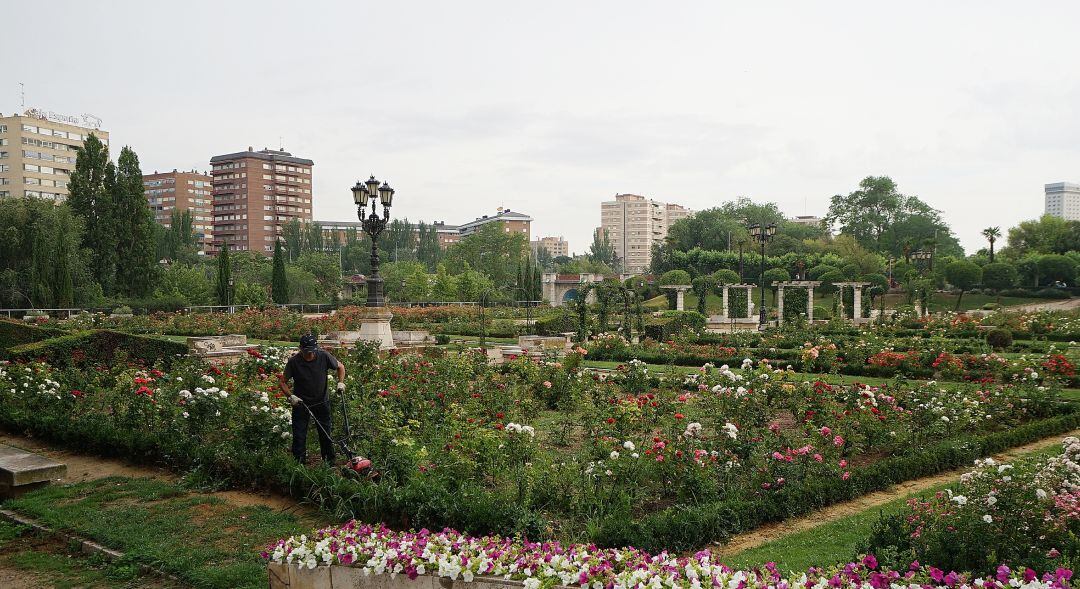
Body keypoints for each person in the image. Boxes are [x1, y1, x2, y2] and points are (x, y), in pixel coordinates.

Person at [278, 333, 346, 464]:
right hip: (301, 404)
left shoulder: (324, 356)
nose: (310, 355)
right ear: (300, 349)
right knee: (299, 435)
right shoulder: (294, 362)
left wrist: (341, 382)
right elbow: (282, 382)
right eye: (307, 352)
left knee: (326, 433)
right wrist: (290, 396)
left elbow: (340, 367)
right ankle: (299, 464)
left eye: (312, 351)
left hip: (321, 401)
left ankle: (329, 462)